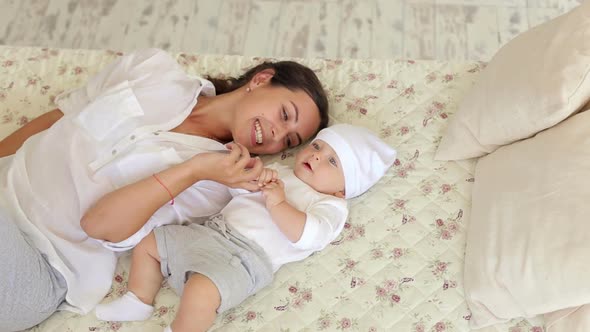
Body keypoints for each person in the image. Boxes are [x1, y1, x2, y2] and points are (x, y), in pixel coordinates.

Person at [0, 48, 329, 332]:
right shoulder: (151, 69)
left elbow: (98, 224)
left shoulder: (215, 185)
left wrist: (193, 169)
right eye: (285, 115)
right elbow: (61, 115)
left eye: (288, 141)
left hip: (41, 263)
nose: (275, 135)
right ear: (260, 80)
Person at [94, 124, 397, 332]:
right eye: (317, 145)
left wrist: (278, 203)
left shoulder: (331, 206)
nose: (316, 155)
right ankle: (138, 299)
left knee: (202, 291)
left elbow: (308, 236)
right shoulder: (279, 172)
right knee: (150, 244)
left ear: (344, 189)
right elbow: (238, 193)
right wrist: (246, 175)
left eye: (332, 161)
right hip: (212, 231)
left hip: (243, 260)